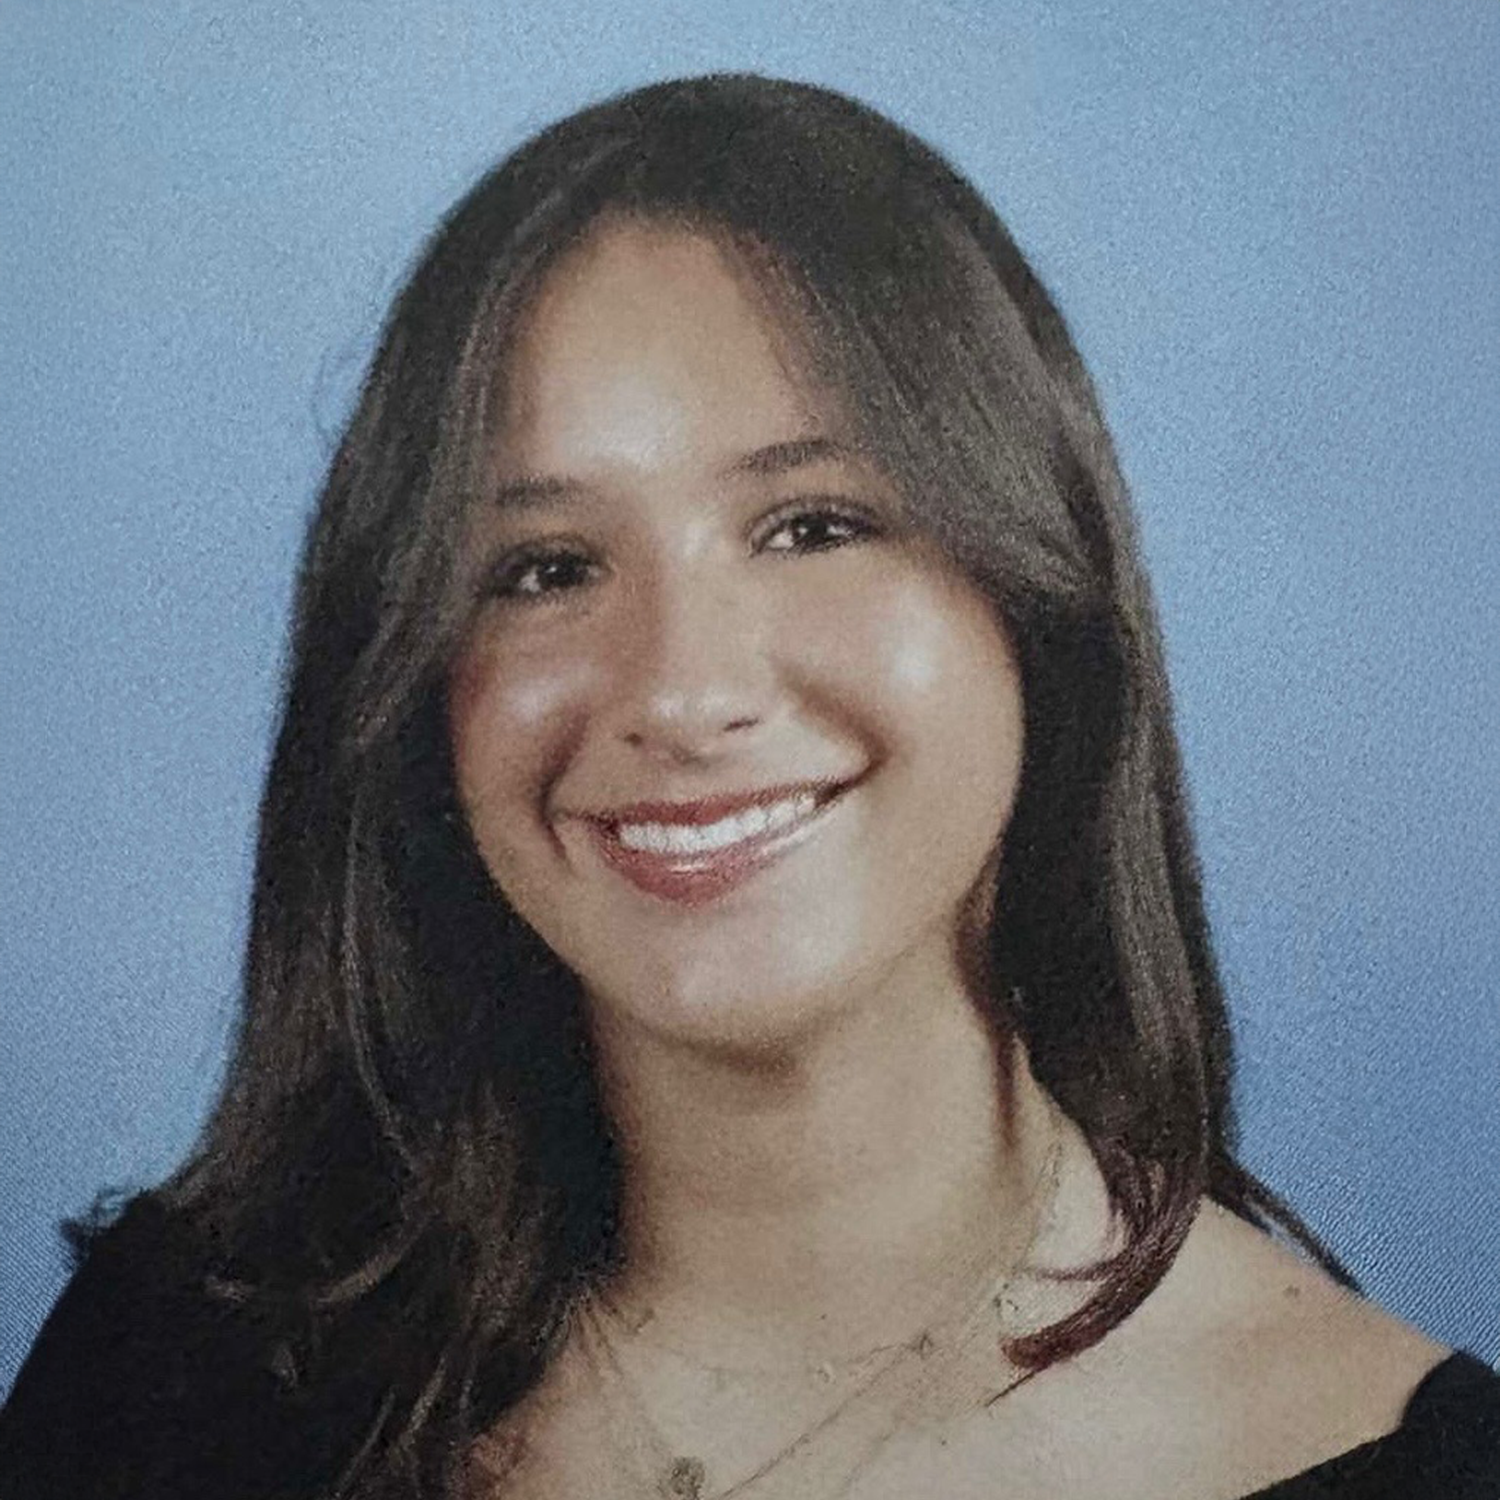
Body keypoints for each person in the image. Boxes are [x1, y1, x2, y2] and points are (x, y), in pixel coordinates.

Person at [1, 73, 1496, 1500]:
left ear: (1042, 609)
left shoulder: (1419, 1463)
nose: (680, 689)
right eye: (547, 567)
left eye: (814, 524)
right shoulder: (177, 1379)